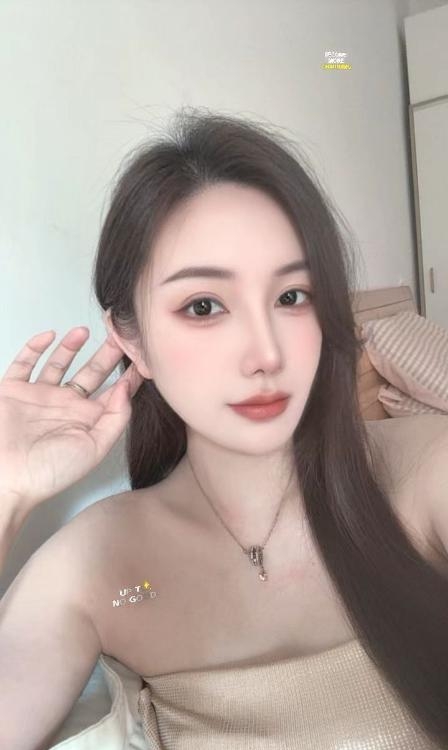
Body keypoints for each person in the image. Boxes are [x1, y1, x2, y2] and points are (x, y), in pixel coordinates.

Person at [1, 107, 448, 749]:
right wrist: (6, 489)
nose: (265, 354)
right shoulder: (106, 568)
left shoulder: (425, 473)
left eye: (292, 296)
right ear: (132, 340)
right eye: (204, 306)